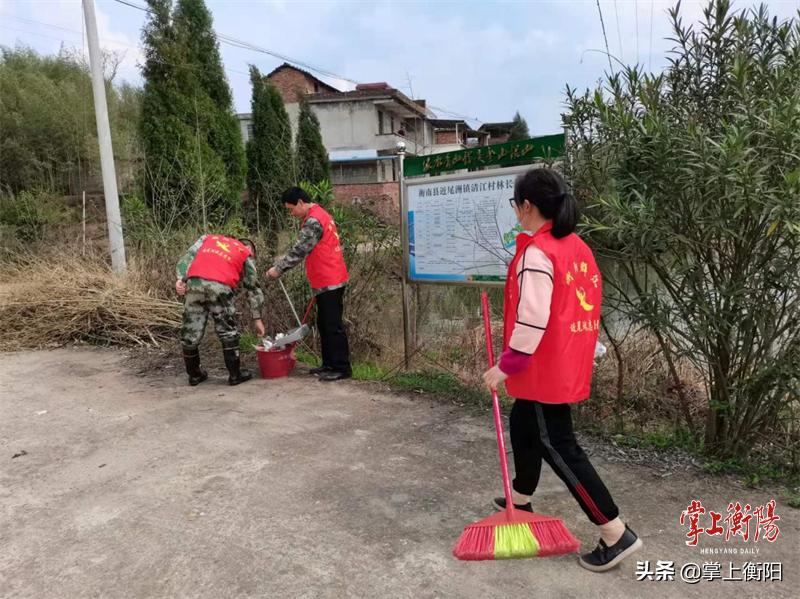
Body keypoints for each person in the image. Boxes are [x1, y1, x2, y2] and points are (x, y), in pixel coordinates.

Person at [482, 167, 642, 572]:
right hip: (563, 359)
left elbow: (533, 317)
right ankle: (521, 497)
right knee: (524, 422)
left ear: (527, 206)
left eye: (516, 204)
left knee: (558, 445)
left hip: (542, 365)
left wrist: (506, 366)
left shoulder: (537, 253)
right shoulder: (576, 246)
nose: (516, 211)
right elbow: (578, 307)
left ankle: (613, 531)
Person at [266, 187, 351, 382]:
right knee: (324, 324)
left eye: (291, 209)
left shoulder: (314, 221)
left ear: (301, 203)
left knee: (333, 325)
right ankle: (329, 364)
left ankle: (341, 367)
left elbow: (299, 250)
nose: (292, 214)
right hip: (325, 280)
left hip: (330, 279)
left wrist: (278, 269)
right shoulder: (318, 214)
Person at [176, 234, 265, 386]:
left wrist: (180, 279)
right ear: (250, 249)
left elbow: (188, 257)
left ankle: (194, 375)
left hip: (195, 282)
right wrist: (257, 318)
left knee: (191, 330)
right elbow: (253, 287)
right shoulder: (245, 252)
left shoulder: (208, 238)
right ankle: (235, 375)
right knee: (227, 329)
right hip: (220, 285)